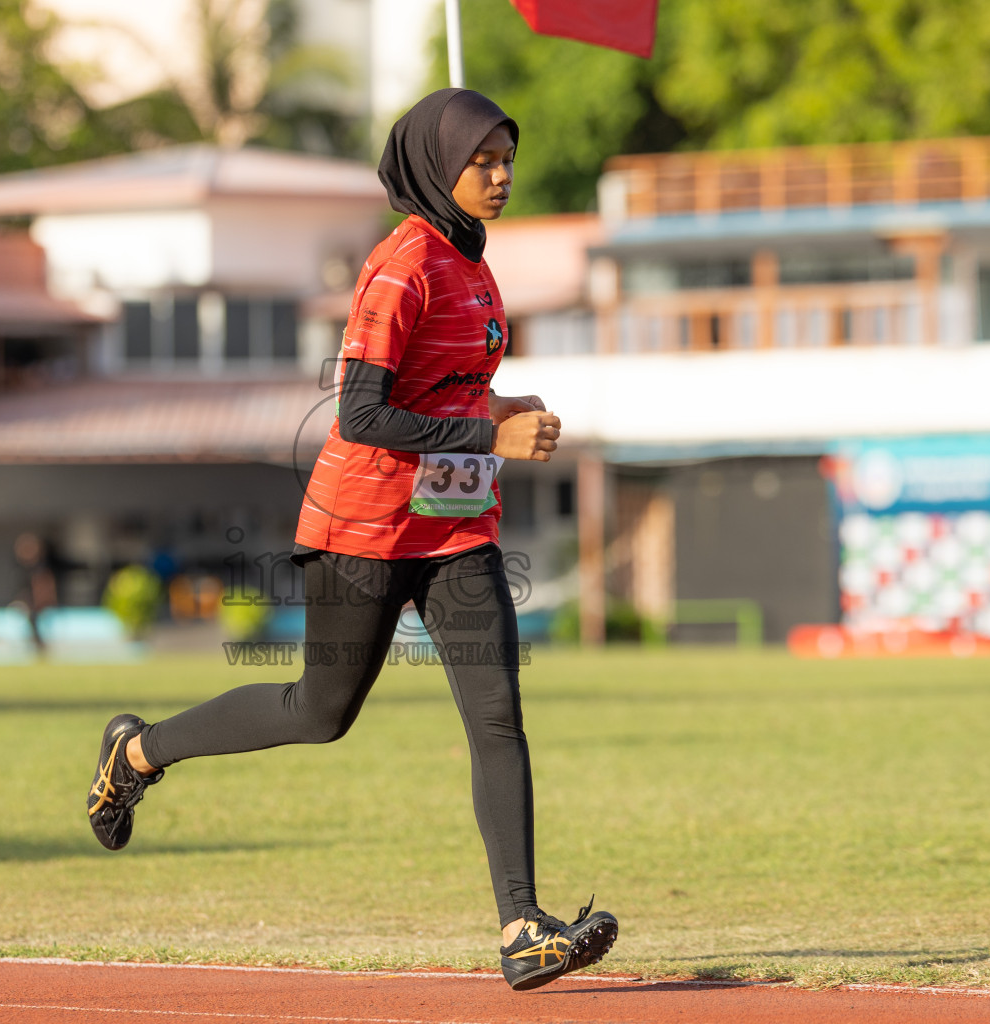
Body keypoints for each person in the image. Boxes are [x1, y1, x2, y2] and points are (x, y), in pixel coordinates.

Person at [86, 88, 616, 991]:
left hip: (455, 527)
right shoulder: (402, 264)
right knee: (319, 713)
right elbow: (363, 414)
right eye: (483, 161)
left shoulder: (473, 261)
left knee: (497, 716)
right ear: (435, 166)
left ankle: (523, 927)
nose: (501, 176)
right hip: (363, 529)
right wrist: (489, 436)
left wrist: (495, 405)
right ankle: (136, 753)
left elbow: (436, 387)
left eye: (507, 160)